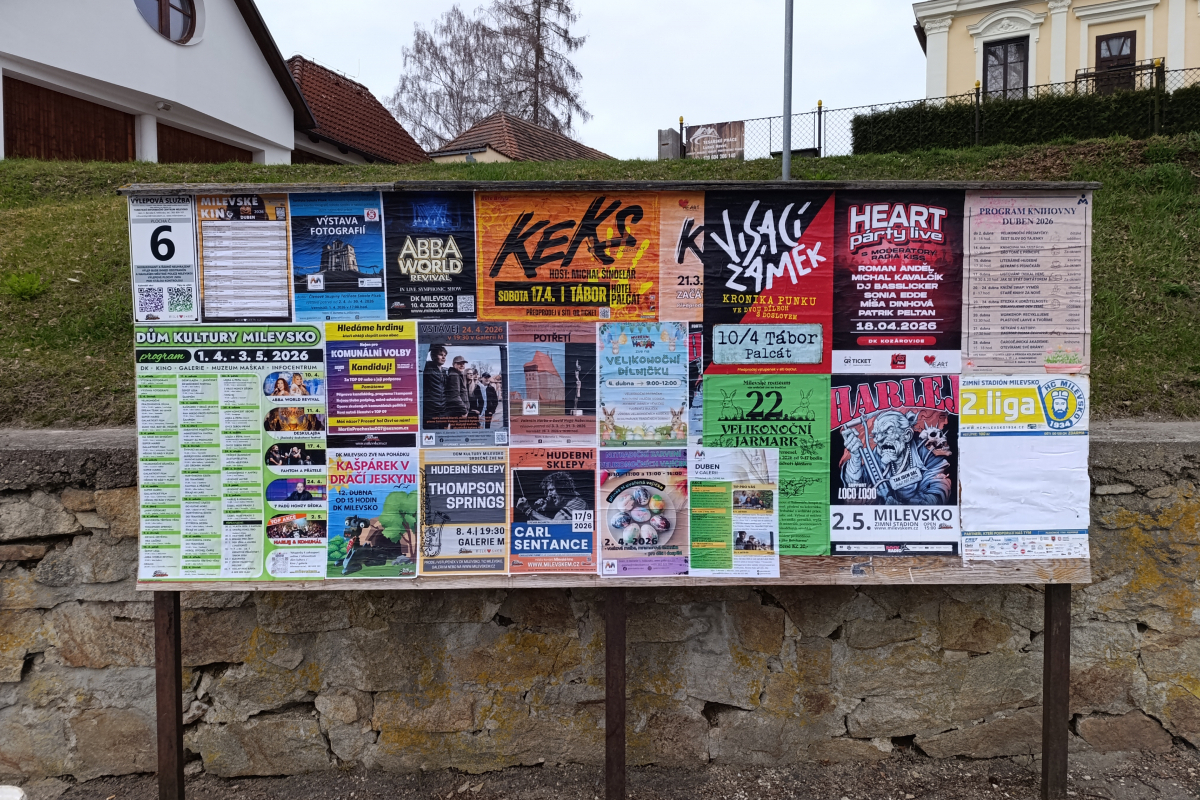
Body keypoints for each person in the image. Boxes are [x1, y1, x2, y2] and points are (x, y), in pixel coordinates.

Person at [840, 410, 951, 506]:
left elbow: (938, 494)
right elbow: (855, 493)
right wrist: (855, 458)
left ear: (907, 435)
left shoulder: (928, 453)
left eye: (887, 431)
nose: (879, 439)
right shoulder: (878, 455)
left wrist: (899, 506)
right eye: (876, 434)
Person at [514, 472, 589, 522]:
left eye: (551, 490)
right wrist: (543, 512)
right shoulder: (574, 502)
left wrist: (528, 510)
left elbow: (554, 525)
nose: (549, 494)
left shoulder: (579, 503)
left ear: (562, 488)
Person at [422, 345, 449, 429]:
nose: (443, 357)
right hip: (431, 411)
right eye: (441, 355)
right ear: (434, 356)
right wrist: (435, 342)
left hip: (442, 411)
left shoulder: (444, 371)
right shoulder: (427, 366)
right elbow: (421, 353)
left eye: (445, 355)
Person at [444, 355, 470, 427]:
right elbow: (455, 396)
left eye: (463, 363)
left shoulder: (457, 374)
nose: (462, 365)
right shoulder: (454, 375)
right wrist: (464, 410)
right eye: (459, 363)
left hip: (458, 411)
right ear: (453, 364)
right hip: (458, 412)